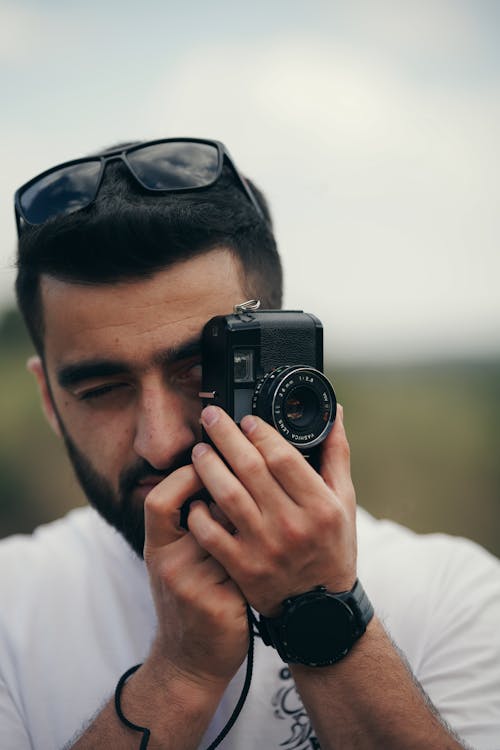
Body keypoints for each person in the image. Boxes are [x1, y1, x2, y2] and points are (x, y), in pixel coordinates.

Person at [2, 137, 499, 750]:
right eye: (103, 389)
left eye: (202, 372)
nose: (159, 443)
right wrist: (179, 677)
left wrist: (318, 614)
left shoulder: (457, 596)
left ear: (281, 355)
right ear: (50, 400)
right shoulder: (9, 610)